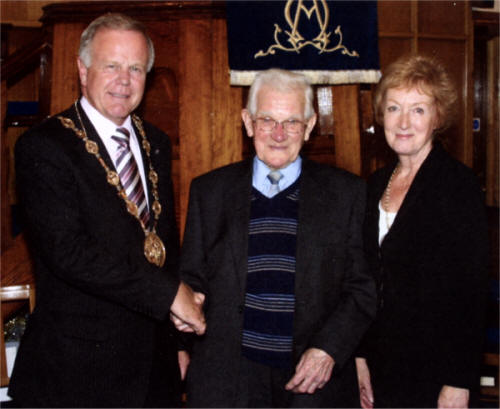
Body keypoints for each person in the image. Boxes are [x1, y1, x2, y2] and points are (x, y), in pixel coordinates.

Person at [9, 13, 205, 408]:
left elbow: (161, 245)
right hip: (78, 373)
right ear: (83, 70)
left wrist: (179, 340)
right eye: (111, 66)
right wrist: (169, 295)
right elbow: (69, 252)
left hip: (155, 369)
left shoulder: (157, 142)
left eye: (136, 68)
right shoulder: (44, 147)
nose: (124, 80)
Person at [175, 68, 376, 408]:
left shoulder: (347, 194)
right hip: (228, 383)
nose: (279, 134)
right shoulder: (209, 192)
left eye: (292, 122)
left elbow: (363, 289)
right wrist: (185, 311)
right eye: (267, 119)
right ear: (248, 121)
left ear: (310, 126)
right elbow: (191, 278)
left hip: (311, 382)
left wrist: (329, 349)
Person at [355, 54, 489, 409]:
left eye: (418, 110)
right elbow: (365, 281)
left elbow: (471, 294)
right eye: (394, 108)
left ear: (437, 118)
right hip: (381, 366)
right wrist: (360, 358)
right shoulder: (374, 185)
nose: (403, 122)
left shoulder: (457, 186)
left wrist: (458, 382)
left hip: (435, 372)